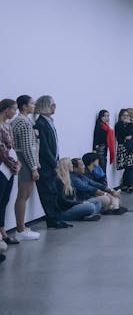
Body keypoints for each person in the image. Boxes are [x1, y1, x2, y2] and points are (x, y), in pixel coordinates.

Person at [35, 95, 70, 229]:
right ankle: (52, 221)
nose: (55, 107)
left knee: (54, 192)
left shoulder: (49, 121)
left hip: (51, 163)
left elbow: (54, 144)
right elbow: (43, 147)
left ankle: (57, 219)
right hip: (45, 165)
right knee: (47, 194)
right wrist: (53, 162)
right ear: (45, 106)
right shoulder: (40, 123)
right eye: (52, 105)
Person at [10, 95, 41, 240]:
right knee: (23, 195)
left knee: (23, 195)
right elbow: (27, 147)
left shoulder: (21, 121)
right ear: (24, 106)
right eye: (32, 103)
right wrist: (34, 167)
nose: (34, 106)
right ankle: (21, 230)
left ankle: (21, 227)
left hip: (23, 161)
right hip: (26, 162)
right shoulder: (24, 122)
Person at [0, 99, 21, 246]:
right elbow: (2, 150)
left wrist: (16, 164)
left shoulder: (7, 126)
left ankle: (2, 231)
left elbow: (11, 147)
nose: (15, 112)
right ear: (6, 109)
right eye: (14, 109)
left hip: (9, 170)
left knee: (4, 201)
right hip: (2, 168)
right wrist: (14, 164)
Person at [54, 158, 101, 222]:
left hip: (72, 206)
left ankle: (85, 216)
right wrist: (80, 203)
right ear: (66, 166)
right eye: (70, 164)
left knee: (97, 202)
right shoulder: (59, 180)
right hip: (64, 211)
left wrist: (81, 202)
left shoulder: (68, 179)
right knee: (91, 206)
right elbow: (63, 201)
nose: (72, 166)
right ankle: (84, 216)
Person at [115, 109, 133, 193]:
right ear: (120, 116)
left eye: (127, 115)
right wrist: (128, 126)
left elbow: (132, 133)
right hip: (124, 148)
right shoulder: (118, 125)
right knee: (129, 167)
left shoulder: (130, 124)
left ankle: (127, 185)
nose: (126, 117)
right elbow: (124, 134)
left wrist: (129, 125)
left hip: (131, 147)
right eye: (124, 115)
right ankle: (128, 185)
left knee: (132, 166)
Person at [91, 110, 115, 180]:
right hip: (100, 149)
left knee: (102, 168)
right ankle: (104, 187)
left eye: (108, 116)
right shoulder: (100, 126)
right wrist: (95, 149)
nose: (107, 118)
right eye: (105, 116)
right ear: (101, 116)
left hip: (104, 149)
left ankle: (104, 187)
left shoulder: (105, 126)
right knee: (101, 169)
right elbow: (97, 137)